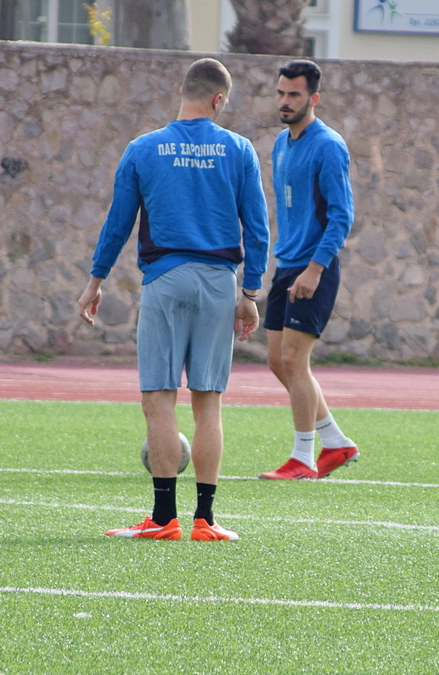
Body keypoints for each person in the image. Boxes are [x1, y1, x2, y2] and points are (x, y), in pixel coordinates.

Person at [78, 58, 269, 541]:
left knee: (159, 397)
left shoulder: (143, 148)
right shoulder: (239, 149)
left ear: (182, 92)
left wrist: (96, 280)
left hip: (165, 279)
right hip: (219, 283)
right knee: (208, 402)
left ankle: (164, 519)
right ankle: (206, 520)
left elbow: (118, 222)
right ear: (219, 100)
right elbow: (258, 228)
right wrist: (250, 293)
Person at [259, 60, 359, 481]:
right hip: (287, 265)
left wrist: (315, 268)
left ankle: (303, 458)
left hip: (313, 266)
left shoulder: (329, 145)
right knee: (277, 361)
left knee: (294, 360)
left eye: (294, 94)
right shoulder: (281, 143)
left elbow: (342, 215)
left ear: (313, 98)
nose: (285, 101)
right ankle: (335, 442)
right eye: (281, 93)